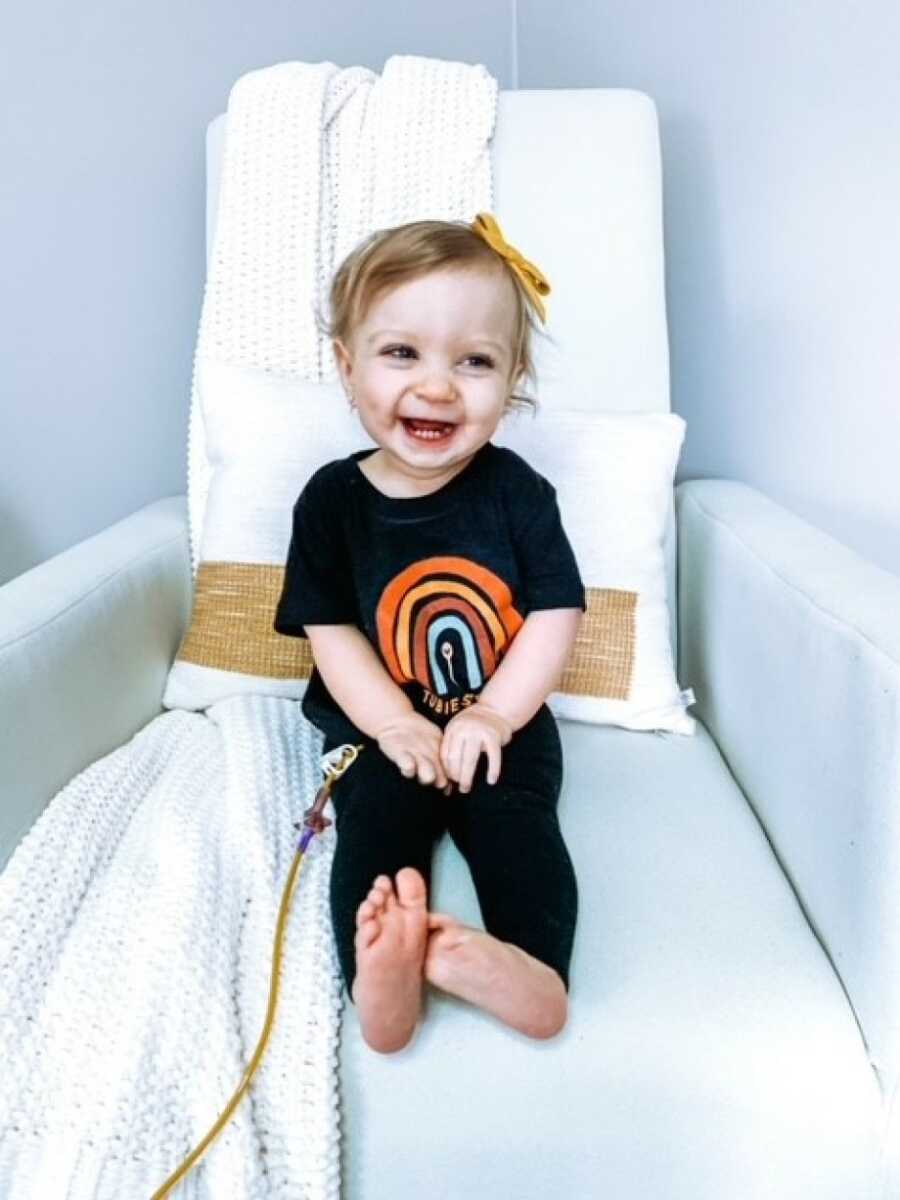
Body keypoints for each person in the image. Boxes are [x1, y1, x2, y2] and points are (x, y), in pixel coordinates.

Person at [274, 212, 586, 1054]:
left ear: (512, 378)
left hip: (502, 728)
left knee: (519, 826)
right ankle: (379, 983)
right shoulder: (332, 504)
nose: (439, 386)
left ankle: (531, 971)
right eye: (402, 352)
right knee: (374, 829)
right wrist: (395, 724)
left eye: (475, 361)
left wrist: (493, 716)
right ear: (348, 368)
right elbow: (330, 628)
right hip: (385, 729)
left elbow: (557, 612)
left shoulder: (518, 494)